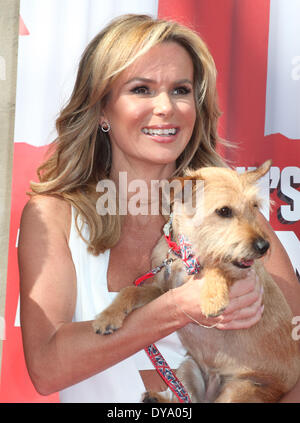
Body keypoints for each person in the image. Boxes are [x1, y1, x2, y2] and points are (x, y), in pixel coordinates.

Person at [18, 14, 300, 403]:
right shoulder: (54, 216)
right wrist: (178, 307)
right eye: (142, 89)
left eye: (181, 90)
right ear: (101, 108)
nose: (166, 107)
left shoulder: (234, 210)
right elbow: (47, 369)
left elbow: (293, 359)